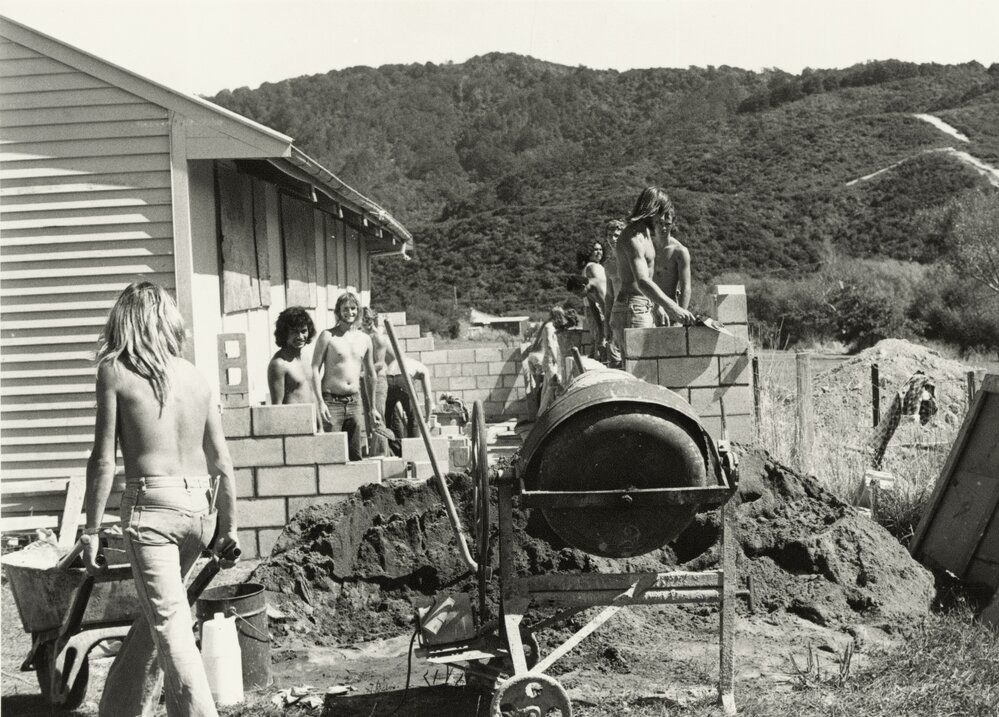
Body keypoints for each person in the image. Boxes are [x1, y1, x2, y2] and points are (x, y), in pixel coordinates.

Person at [83, 281, 239, 717]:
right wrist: (229, 527)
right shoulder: (195, 376)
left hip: (152, 509)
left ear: (124, 322)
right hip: (199, 512)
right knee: (157, 621)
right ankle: (117, 710)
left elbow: (102, 461)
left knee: (171, 629)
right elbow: (222, 461)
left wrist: (92, 530)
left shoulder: (115, 370)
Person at [610, 187, 695, 352]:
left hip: (642, 305)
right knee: (637, 369)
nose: (663, 218)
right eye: (661, 212)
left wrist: (657, 306)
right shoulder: (633, 237)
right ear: (652, 209)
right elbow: (642, 281)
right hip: (632, 307)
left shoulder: (646, 234)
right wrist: (673, 307)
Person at [312, 292, 381, 461]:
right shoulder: (328, 336)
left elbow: (371, 374)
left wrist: (372, 408)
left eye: (353, 308)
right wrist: (320, 403)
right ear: (338, 311)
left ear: (358, 311)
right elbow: (314, 369)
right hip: (331, 402)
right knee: (331, 454)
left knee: (355, 455)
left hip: (354, 402)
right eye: (345, 309)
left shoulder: (365, 339)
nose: (349, 312)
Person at [522, 306, 579, 416]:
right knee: (552, 386)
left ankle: (543, 413)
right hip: (549, 360)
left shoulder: (548, 325)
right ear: (558, 315)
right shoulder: (549, 326)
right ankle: (543, 413)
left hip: (544, 359)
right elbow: (549, 344)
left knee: (546, 387)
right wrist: (556, 359)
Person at [267, 306, 319, 411]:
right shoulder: (279, 364)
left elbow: (312, 396)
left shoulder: (305, 358)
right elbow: (277, 406)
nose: (300, 336)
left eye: (303, 331)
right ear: (284, 333)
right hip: (292, 423)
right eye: (294, 332)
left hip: (310, 421)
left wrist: (320, 427)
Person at [385, 355, 434, 455]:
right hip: (404, 377)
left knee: (390, 420)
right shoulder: (423, 369)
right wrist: (427, 421)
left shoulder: (401, 362)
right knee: (414, 418)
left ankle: (395, 454)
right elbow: (428, 397)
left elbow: (396, 400)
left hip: (387, 378)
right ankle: (413, 455)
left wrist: (402, 416)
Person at [361, 307, 391, 456]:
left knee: (378, 417)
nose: (366, 322)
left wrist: (361, 372)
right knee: (368, 418)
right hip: (365, 380)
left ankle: (382, 455)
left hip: (378, 381)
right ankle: (375, 455)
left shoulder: (377, 337)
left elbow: (379, 363)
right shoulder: (361, 335)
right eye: (363, 319)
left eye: (368, 319)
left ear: (373, 320)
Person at [576, 239, 609, 360]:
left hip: (593, 307)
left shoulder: (591, 267)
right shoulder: (593, 267)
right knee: (602, 340)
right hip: (598, 307)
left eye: (600, 249)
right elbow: (600, 292)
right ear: (588, 252)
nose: (599, 252)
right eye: (595, 250)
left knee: (597, 341)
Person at [652, 227, 692, 326]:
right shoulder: (646, 247)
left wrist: (681, 315)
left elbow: (686, 287)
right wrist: (655, 306)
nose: (663, 227)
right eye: (660, 223)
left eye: (667, 223)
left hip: (671, 308)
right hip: (647, 306)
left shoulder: (679, 251)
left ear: (673, 224)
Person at [602, 219, 626, 367]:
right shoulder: (609, 264)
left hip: (635, 308)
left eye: (617, 235)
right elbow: (609, 296)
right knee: (620, 358)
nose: (613, 239)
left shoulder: (633, 258)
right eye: (610, 235)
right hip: (617, 312)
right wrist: (606, 321)